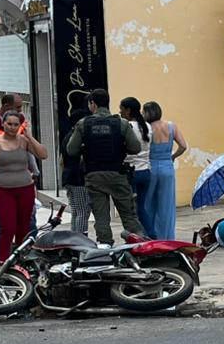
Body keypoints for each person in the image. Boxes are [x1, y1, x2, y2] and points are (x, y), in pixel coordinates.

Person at [65, 88, 144, 244]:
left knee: (101, 217)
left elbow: (71, 150)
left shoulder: (83, 124)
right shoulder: (121, 123)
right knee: (128, 215)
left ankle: (105, 248)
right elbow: (135, 148)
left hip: (94, 176)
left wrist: (85, 147)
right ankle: (137, 245)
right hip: (117, 174)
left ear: (92, 104)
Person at [0, 110, 49, 261]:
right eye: (9, 124)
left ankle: (19, 260)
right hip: (3, 190)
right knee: (7, 227)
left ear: (20, 125)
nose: (12, 127)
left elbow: (43, 155)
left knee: (24, 228)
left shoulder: (24, 141)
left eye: (16, 124)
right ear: (3, 124)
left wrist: (29, 136)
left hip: (25, 189)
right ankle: (2, 261)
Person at [142, 100, 188, 239]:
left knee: (148, 203)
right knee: (166, 204)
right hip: (167, 166)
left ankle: (150, 235)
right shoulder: (171, 126)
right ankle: (167, 237)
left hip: (150, 167)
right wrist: (173, 156)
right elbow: (183, 146)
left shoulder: (146, 128)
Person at [120, 97, 153, 236]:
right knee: (142, 208)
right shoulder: (147, 126)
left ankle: (137, 238)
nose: (120, 112)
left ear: (128, 110)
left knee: (130, 211)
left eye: (121, 108)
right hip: (145, 171)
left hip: (131, 172)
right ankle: (152, 236)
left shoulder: (127, 127)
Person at [61, 102, 91, 234]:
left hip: (68, 177)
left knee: (75, 210)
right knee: (83, 211)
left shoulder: (67, 135)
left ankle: (74, 238)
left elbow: (61, 160)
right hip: (78, 179)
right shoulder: (77, 137)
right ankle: (80, 239)